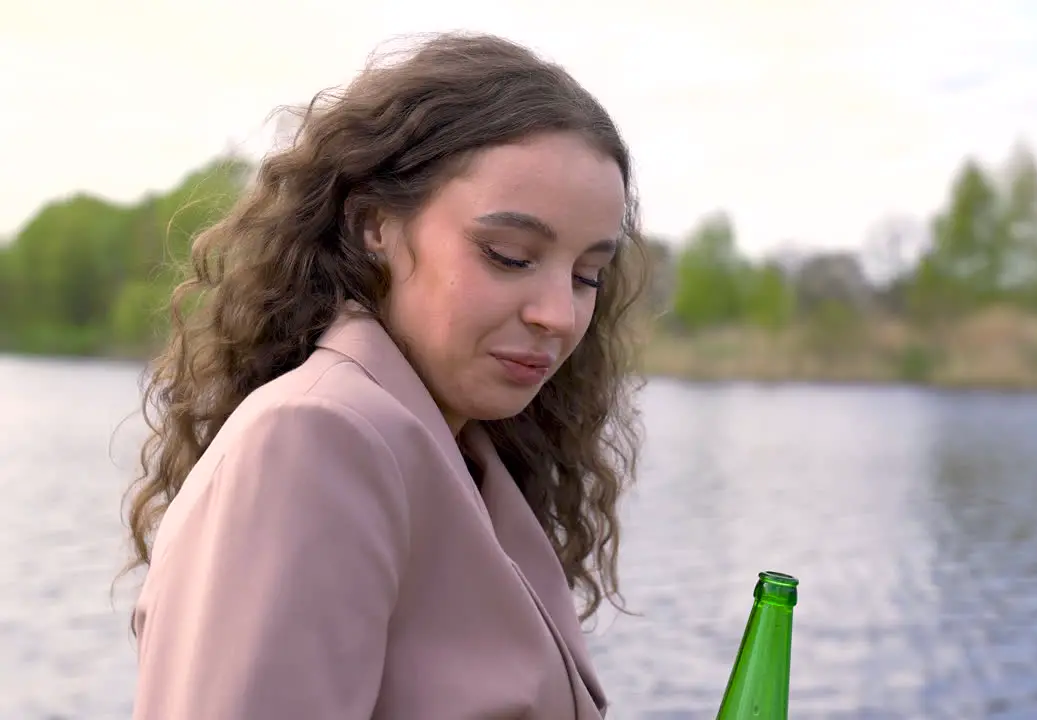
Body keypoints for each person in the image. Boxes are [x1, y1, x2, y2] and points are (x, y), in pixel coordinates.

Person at [121, 31, 650, 719]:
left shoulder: (463, 459)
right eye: (510, 255)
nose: (559, 314)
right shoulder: (317, 440)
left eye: (588, 276)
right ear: (375, 225)